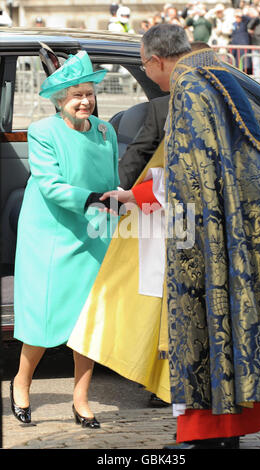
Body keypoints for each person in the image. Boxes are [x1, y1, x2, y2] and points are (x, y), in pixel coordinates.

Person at [70, 24, 260, 449]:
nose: (151, 78)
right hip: (234, 227)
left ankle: (210, 436)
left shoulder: (189, 87)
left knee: (205, 332)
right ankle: (224, 433)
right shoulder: (216, 74)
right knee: (232, 331)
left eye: (148, 68)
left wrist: (132, 194)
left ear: (155, 60)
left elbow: (186, 177)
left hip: (205, 235)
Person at [11, 51, 120, 428]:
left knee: (88, 321)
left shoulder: (107, 132)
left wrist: (119, 204)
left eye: (88, 93)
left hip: (93, 232)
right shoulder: (43, 132)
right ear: (60, 101)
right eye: (76, 95)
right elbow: (51, 185)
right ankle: (21, 382)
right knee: (45, 317)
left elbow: (110, 183)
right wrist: (91, 199)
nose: (84, 101)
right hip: (51, 233)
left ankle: (80, 398)